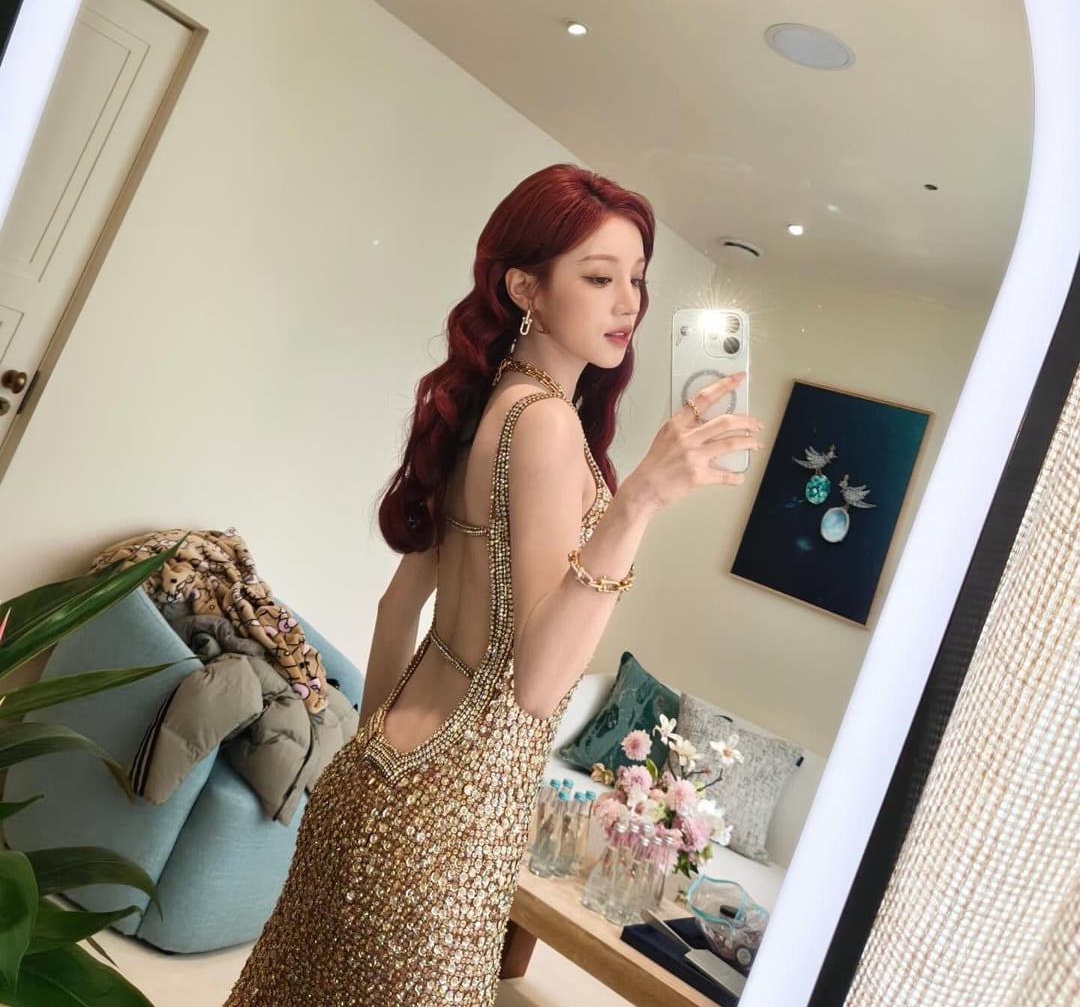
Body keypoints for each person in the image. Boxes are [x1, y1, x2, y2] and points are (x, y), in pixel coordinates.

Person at [224, 163, 763, 1006]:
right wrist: (640, 501)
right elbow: (536, 685)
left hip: (381, 783)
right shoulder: (544, 424)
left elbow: (397, 606)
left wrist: (378, 772)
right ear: (525, 288)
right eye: (599, 277)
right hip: (448, 830)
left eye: (637, 279)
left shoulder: (491, 404)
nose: (628, 303)